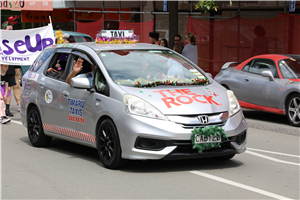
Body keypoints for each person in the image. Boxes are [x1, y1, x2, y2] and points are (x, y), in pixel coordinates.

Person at [1, 16, 20, 116]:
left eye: (12, 30)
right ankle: (2, 108)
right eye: (9, 30)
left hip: (11, 67)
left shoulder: (15, 40)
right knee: (2, 88)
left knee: (9, 88)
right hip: (1, 66)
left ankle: (7, 109)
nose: (11, 31)